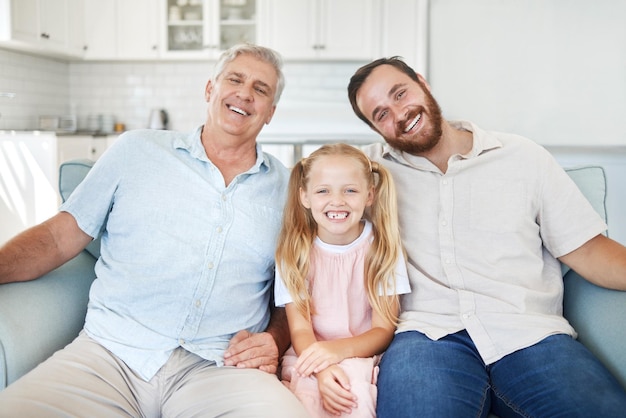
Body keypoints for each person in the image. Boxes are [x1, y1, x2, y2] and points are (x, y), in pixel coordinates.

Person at [0, 44, 309, 417]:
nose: (245, 93)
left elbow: (291, 289)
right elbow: (57, 238)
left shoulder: (292, 190)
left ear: (271, 112)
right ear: (210, 89)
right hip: (109, 355)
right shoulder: (137, 150)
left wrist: (275, 339)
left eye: (261, 89)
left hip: (222, 368)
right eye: (236, 79)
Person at [346, 56, 626, 417]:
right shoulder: (363, 174)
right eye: (380, 114)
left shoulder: (522, 156)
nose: (398, 114)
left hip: (529, 333)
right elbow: (303, 197)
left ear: (422, 82)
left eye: (400, 94)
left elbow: (589, 251)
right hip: (427, 338)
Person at [274, 143, 411, 417]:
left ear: (369, 195)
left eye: (350, 190)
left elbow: (382, 331)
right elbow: (300, 331)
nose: (337, 201)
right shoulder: (294, 253)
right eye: (323, 190)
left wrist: (336, 352)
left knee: (352, 399)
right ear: (305, 197)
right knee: (304, 402)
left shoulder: (383, 249)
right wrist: (322, 367)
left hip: (359, 355)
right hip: (308, 356)